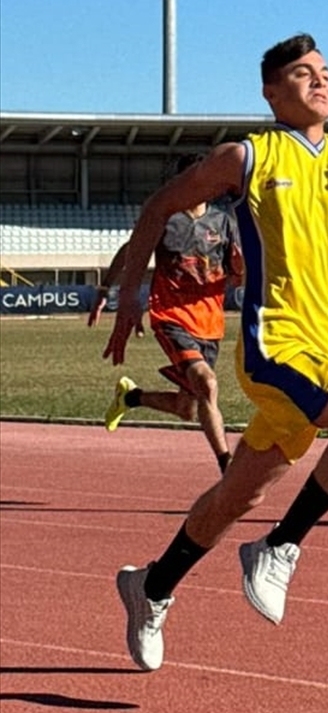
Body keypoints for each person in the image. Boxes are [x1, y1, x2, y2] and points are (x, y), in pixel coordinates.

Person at [103, 32, 328, 671]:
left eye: (325, 71)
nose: (320, 80)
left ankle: (150, 586)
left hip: (325, 355)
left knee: (238, 496)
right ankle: (280, 548)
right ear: (270, 91)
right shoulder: (248, 157)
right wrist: (129, 298)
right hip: (274, 349)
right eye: (302, 73)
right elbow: (158, 206)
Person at [89, 153, 243, 476]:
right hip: (171, 317)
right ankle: (228, 467)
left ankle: (131, 397)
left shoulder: (223, 222)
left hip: (210, 325)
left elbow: (236, 272)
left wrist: (246, 271)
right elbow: (129, 252)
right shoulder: (166, 218)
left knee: (187, 407)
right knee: (208, 384)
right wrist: (106, 290)